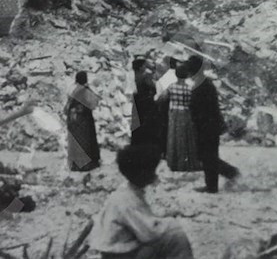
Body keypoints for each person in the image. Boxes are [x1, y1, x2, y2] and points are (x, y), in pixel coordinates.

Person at [89, 144, 194, 259]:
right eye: (152, 171)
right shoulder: (128, 200)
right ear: (142, 173)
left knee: (169, 233)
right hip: (120, 255)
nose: (154, 175)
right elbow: (148, 233)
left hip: (119, 251)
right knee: (176, 236)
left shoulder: (126, 191)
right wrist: (169, 223)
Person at [188, 55, 239, 193]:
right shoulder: (203, 83)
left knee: (207, 156)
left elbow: (204, 108)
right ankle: (214, 183)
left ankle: (226, 175)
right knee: (207, 156)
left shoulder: (203, 85)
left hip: (207, 126)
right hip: (206, 125)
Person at [157, 64, 201, 172]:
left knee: (174, 137)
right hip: (186, 113)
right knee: (186, 137)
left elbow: (161, 99)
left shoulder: (171, 87)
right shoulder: (189, 88)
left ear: (176, 75)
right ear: (186, 76)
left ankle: (174, 163)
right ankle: (186, 163)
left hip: (174, 113)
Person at [65, 71, 100, 172]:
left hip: (73, 119)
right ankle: (86, 165)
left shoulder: (73, 89)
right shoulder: (84, 90)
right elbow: (93, 103)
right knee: (85, 141)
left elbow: (68, 105)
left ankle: (76, 165)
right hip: (84, 119)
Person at [131, 56, 161, 148]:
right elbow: (154, 88)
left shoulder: (134, 75)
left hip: (137, 102)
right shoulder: (145, 76)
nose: (145, 67)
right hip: (147, 102)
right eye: (144, 65)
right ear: (140, 67)